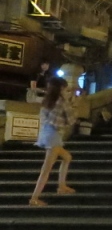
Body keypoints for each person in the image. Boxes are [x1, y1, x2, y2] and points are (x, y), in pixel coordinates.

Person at [29, 77, 75, 206]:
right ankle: (34, 198)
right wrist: (72, 102)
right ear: (61, 89)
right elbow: (71, 119)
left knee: (67, 157)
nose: (67, 91)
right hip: (54, 135)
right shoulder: (61, 101)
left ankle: (62, 186)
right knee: (46, 169)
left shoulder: (47, 100)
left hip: (46, 133)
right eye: (66, 89)